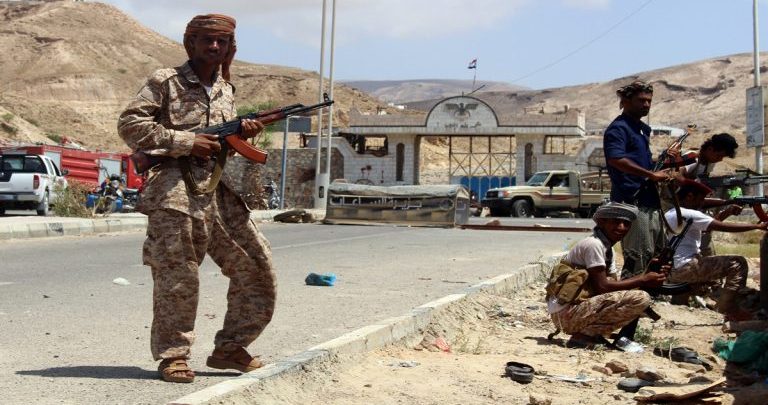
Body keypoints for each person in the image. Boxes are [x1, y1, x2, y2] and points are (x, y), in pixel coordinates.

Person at [117, 14, 276, 383]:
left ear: (230, 46)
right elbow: (130, 124)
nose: (214, 47)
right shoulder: (166, 81)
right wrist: (186, 141)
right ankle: (173, 356)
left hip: (218, 193)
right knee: (178, 277)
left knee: (257, 267)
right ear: (191, 43)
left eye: (222, 41)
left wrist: (242, 135)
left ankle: (230, 348)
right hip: (174, 194)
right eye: (207, 39)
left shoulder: (226, 90)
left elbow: (221, 146)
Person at [547, 202, 667, 351]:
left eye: (626, 224)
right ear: (602, 222)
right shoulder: (594, 245)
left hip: (572, 312)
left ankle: (590, 334)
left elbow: (613, 290)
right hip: (566, 315)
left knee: (634, 297)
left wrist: (649, 274)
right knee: (640, 298)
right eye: (616, 222)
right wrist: (643, 279)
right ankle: (583, 335)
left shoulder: (607, 249)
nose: (621, 227)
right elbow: (603, 287)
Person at [663, 179, 767, 320]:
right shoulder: (690, 214)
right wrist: (756, 226)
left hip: (674, 268)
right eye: (700, 199)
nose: (702, 203)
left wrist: (728, 212)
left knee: (702, 270)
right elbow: (721, 226)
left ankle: (679, 303)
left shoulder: (671, 213)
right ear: (689, 196)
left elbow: (708, 227)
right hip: (686, 266)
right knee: (737, 263)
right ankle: (728, 309)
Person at [603, 80, 672, 279]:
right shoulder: (619, 128)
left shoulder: (641, 129)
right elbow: (615, 159)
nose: (646, 105)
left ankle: (650, 294)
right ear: (626, 101)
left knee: (657, 255)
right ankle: (631, 295)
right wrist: (650, 175)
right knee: (638, 257)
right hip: (632, 202)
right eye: (641, 100)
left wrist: (665, 162)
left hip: (649, 201)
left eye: (649, 101)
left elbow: (642, 163)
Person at [676, 133, 739, 257]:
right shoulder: (693, 158)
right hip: (675, 207)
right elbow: (677, 175)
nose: (720, 159)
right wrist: (692, 187)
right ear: (710, 149)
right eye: (719, 155)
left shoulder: (708, 163)